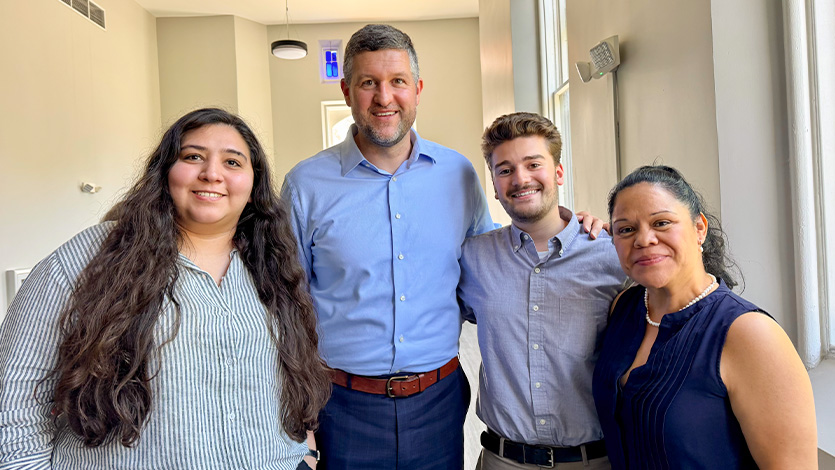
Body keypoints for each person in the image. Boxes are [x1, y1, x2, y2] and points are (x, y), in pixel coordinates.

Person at [0, 108, 330, 469]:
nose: (212, 174)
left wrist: (306, 452)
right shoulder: (87, 260)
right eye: (193, 157)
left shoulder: (273, 266)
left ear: (254, 186)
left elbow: (292, 381)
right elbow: (16, 401)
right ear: (164, 172)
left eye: (233, 163)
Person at [592, 165, 817, 469]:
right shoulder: (624, 307)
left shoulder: (750, 334)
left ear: (699, 228)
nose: (644, 240)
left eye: (661, 222)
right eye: (626, 229)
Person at [458, 112, 624, 470]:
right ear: (494, 182)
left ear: (558, 172)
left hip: (593, 461)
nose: (520, 179)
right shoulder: (473, 258)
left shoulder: (611, 256)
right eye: (505, 170)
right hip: (503, 460)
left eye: (534, 164)